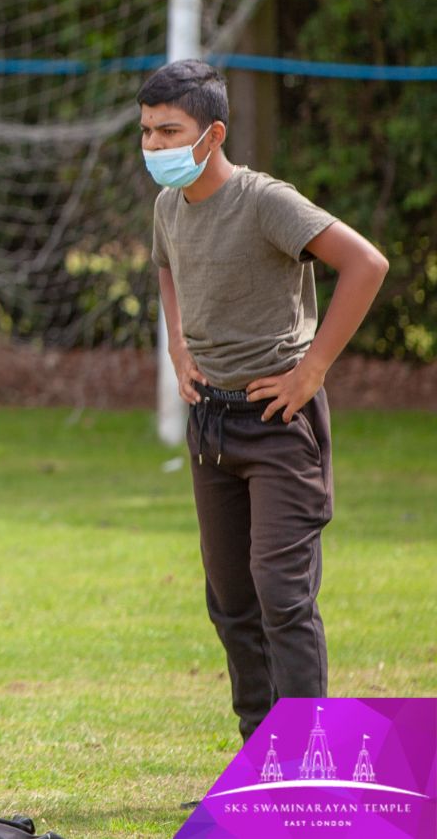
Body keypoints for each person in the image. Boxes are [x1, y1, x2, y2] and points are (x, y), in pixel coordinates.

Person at [138, 60, 389, 739]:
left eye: (171, 130)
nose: (156, 147)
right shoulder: (167, 206)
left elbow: (367, 264)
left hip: (279, 424)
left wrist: (311, 371)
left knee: (282, 596)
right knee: (232, 603)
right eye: (147, 132)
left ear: (212, 133)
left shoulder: (265, 202)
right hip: (210, 424)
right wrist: (179, 348)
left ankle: (309, 767)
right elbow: (167, 268)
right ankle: (261, 760)